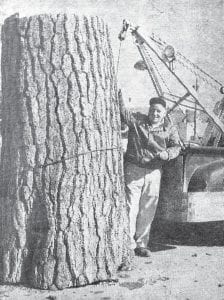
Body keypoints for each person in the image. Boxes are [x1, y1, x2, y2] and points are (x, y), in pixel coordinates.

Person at [119, 89, 181, 258]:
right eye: (152, 110)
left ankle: (141, 244)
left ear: (164, 113)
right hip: (134, 169)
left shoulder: (169, 128)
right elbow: (123, 112)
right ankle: (128, 244)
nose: (155, 113)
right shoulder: (138, 121)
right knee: (130, 206)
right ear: (149, 110)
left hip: (154, 172)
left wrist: (167, 154)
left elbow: (176, 147)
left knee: (148, 209)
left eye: (158, 111)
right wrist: (118, 94)